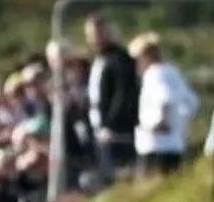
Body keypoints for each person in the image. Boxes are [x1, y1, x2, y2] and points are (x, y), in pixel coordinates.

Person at [129, 33, 199, 174]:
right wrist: (180, 123)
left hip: (155, 145)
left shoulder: (154, 74)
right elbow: (192, 103)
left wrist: (163, 120)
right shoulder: (173, 72)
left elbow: (164, 96)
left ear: (145, 56)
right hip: (175, 144)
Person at [84, 15, 139, 179]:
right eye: (92, 34)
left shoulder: (119, 59)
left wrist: (112, 125)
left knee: (120, 171)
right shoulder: (99, 60)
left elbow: (123, 94)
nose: (96, 38)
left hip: (116, 131)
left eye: (100, 32)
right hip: (99, 126)